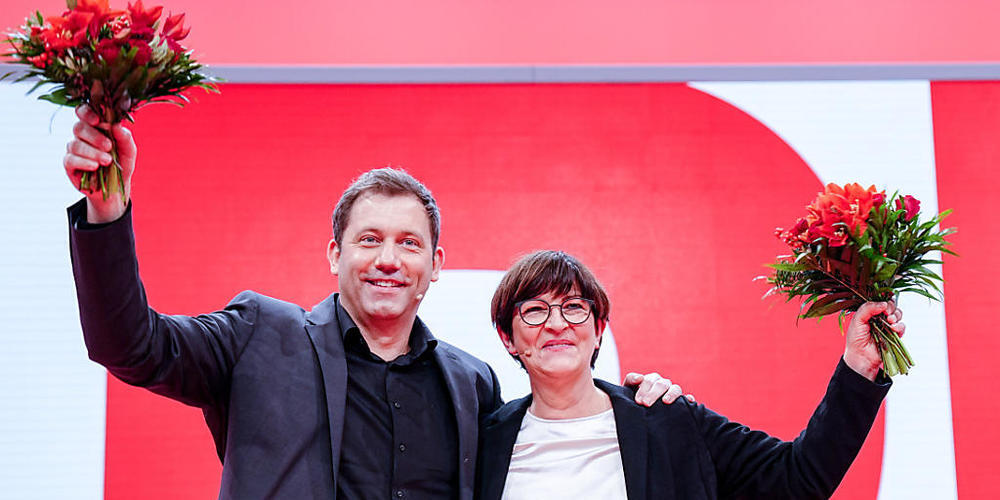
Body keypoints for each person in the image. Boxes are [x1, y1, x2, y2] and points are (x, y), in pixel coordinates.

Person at [62, 107, 686, 499]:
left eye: (409, 243)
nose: (389, 259)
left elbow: (554, 453)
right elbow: (129, 346)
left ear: (434, 267)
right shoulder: (259, 335)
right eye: (369, 240)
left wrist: (641, 398)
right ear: (334, 254)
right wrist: (106, 209)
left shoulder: (473, 384)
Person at [477, 250, 896, 500]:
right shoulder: (481, 444)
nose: (556, 324)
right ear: (508, 338)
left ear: (599, 328)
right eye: (534, 310)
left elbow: (797, 478)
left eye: (573, 307)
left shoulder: (667, 417)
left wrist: (859, 367)